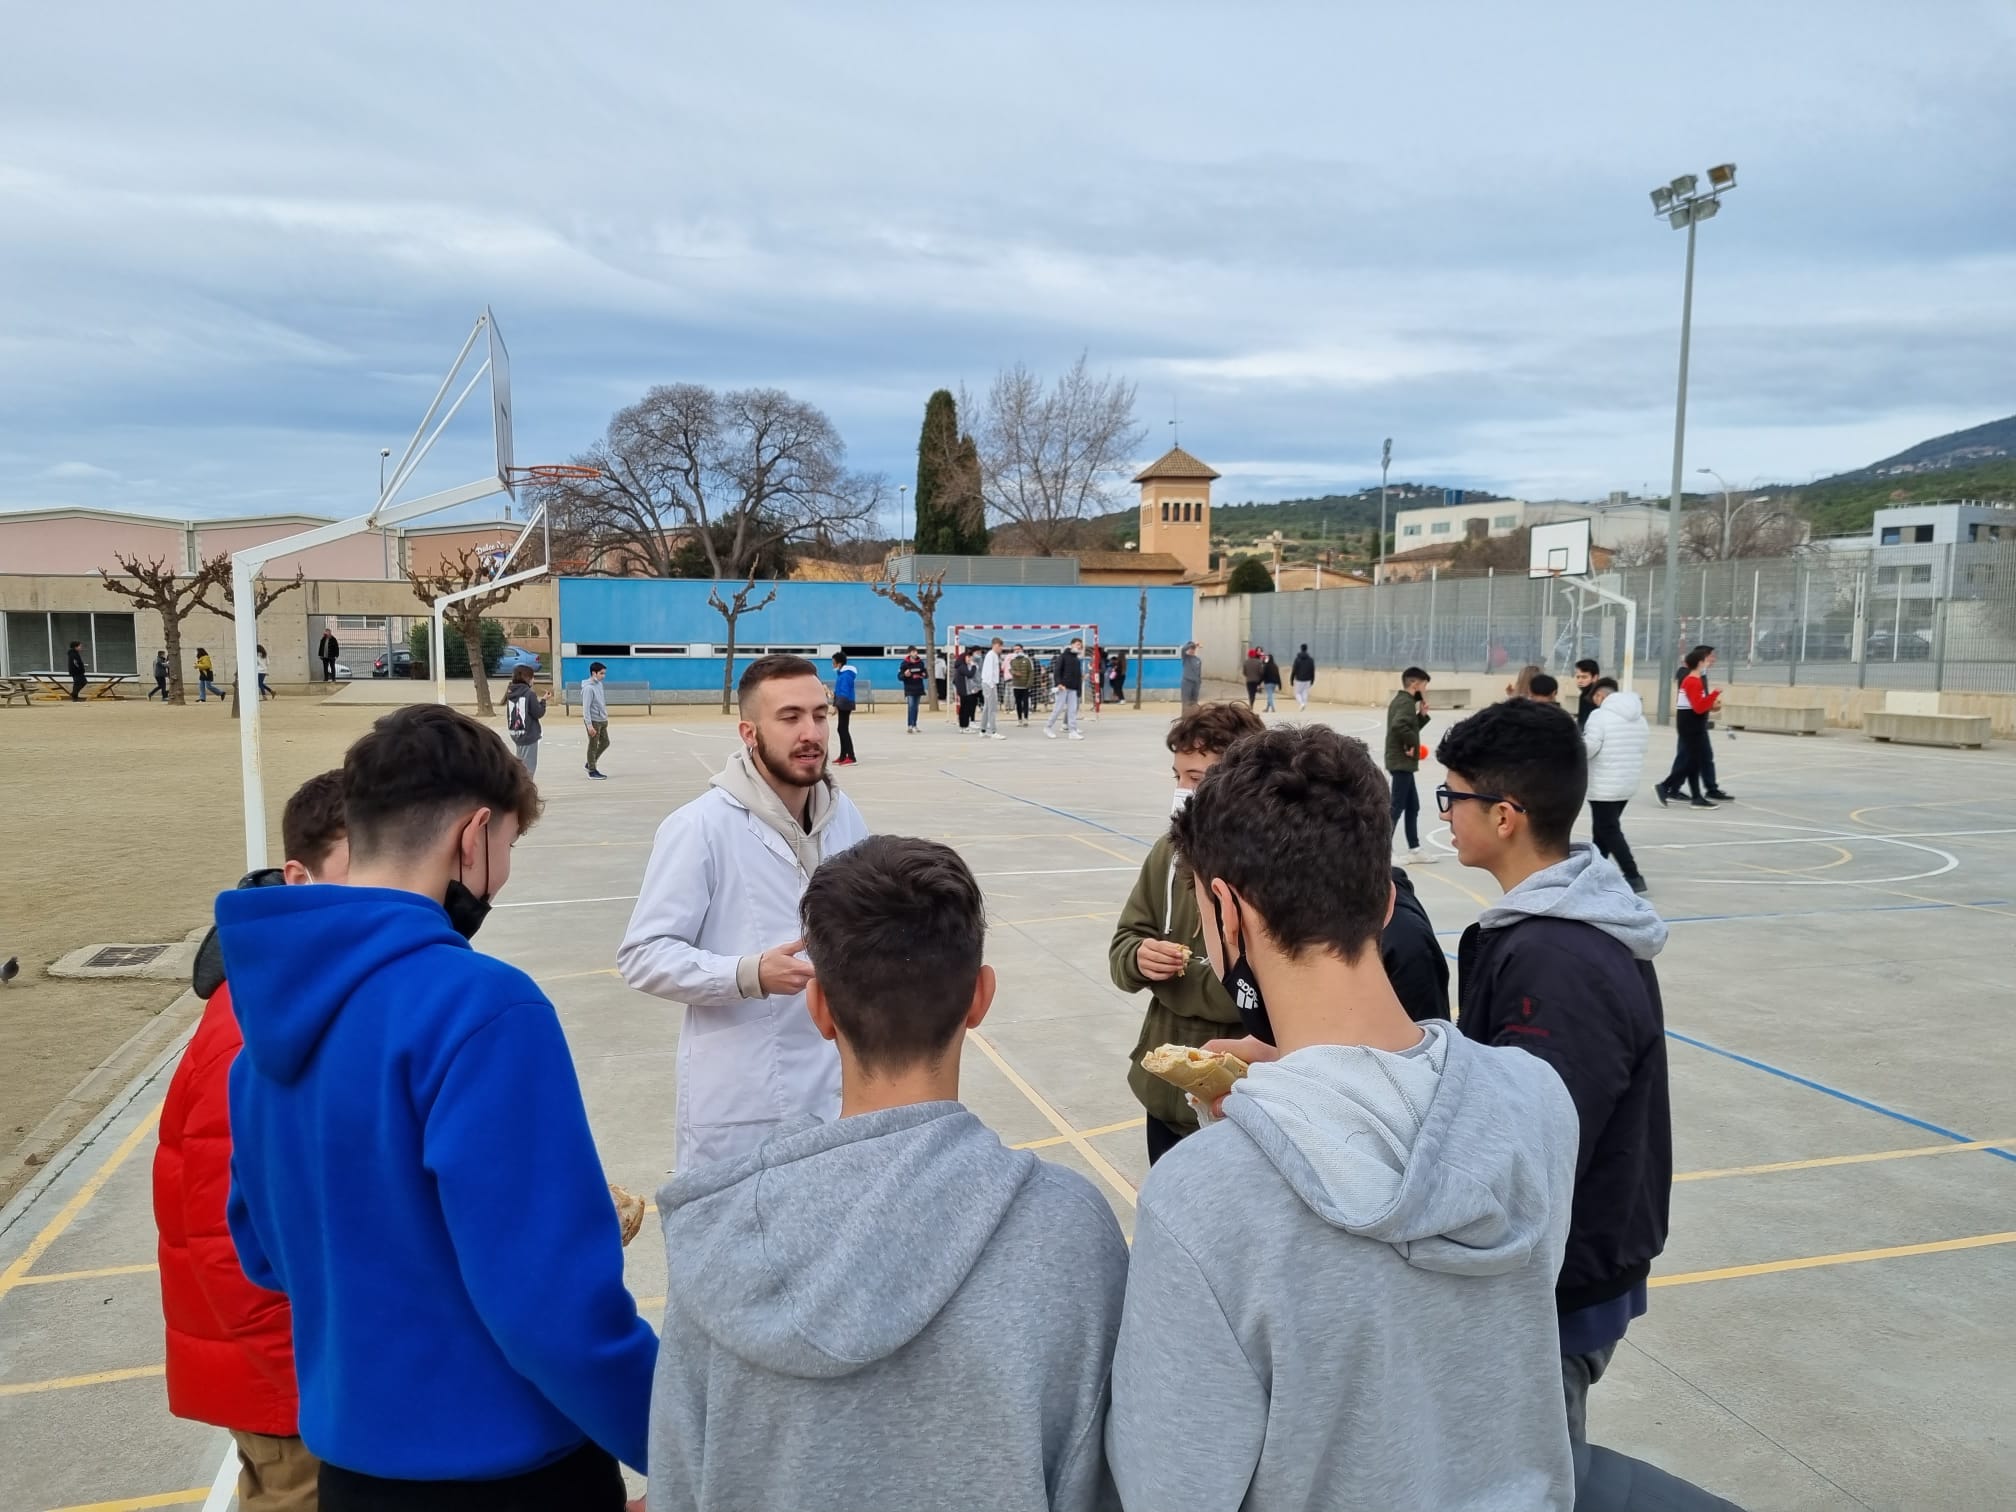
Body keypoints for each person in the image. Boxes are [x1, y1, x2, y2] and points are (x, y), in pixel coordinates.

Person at [1107, 724, 1583, 1512]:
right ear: (1386, 895)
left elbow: (1171, 1485)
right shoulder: (1538, 1102)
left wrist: (1253, 1143)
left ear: (1226, 913)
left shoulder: (1200, 1197)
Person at [222, 706, 656, 1505]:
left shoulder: (263, 1027)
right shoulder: (481, 1007)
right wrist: (683, 1437)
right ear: (475, 834)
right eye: (510, 849)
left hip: (353, 1471)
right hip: (507, 1473)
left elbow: (263, 1252)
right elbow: (552, 1304)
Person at [648, 836, 1129, 1512]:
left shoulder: (718, 1234)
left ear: (818, 1008)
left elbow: (678, 1483)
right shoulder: (1070, 1232)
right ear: (980, 999)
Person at [1436, 700, 1738, 1510]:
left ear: (1503, 816)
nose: (1444, 816)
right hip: (1569, 1264)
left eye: (1452, 798)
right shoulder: (1542, 926)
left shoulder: (1556, 956)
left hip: (1561, 1278)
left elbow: (1536, 1145)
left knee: (1535, 1476)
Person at [156, 771, 348, 1512]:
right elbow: (222, 1246)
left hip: (306, 1374)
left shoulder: (298, 996)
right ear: (298, 876)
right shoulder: (252, 1029)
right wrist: (316, 1388)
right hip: (290, 1394)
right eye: (361, 870)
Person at [618, 654, 870, 1169]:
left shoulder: (846, 818)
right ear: (749, 732)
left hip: (838, 1086)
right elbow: (643, 955)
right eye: (790, 717)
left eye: (820, 715)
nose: (811, 732)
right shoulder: (701, 827)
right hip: (744, 1095)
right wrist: (746, 973)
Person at [1110, 703, 1265, 1164]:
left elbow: (1253, 993)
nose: (1182, 791)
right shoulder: (1170, 852)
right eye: (1177, 776)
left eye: (1195, 779)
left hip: (1236, 1102)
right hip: (1163, 1096)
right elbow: (1123, 945)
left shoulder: (1268, 865)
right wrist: (1138, 959)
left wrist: (1172, 980)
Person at [1583, 677, 1649, 893]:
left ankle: (1633, 874)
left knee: (1608, 828)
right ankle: (1596, 871)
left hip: (1604, 782)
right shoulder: (1639, 717)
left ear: (1601, 696)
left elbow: (1590, 748)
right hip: (1627, 780)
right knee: (1602, 828)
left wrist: (1575, 747)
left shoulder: (1599, 716)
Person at [1657, 646, 1721, 809]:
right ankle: (1665, 786)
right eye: (1707, 660)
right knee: (1692, 761)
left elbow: (1698, 705)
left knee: (1695, 761)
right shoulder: (1692, 681)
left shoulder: (1695, 680)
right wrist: (1714, 695)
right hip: (1691, 724)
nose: (1710, 662)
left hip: (1691, 723)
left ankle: (1697, 797)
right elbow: (1698, 707)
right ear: (1699, 663)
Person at [1386, 666, 1435, 865]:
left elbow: (1409, 726)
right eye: (1424, 685)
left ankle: (1414, 848)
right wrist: (1409, 744)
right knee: (1396, 806)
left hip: (1403, 762)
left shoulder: (1404, 702)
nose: (1425, 689)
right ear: (1415, 683)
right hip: (1401, 761)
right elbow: (1399, 726)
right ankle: (1384, 849)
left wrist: (1421, 716)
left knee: (1412, 805)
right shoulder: (1405, 702)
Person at [504, 664, 546, 776]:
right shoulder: (529, 694)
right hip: (529, 734)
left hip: (516, 732)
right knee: (529, 768)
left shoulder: (511, 693)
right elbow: (538, 713)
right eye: (533, 677)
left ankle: (519, 787)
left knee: (521, 763)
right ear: (527, 678)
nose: (533, 680)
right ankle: (525, 791)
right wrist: (543, 702)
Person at [1043, 637, 1085, 740]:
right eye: (1078, 644)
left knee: (1072, 710)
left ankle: (1072, 731)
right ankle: (1048, 727)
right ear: (1072, 645)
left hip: (1073, 688)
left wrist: (1080, 682)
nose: (1079, 647)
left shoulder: (1076, 659)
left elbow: (1076, 674)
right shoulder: (1063, 656)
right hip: (1063, 687)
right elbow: (1057, 671)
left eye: (1080, 645)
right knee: (1058, 709)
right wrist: (1059, 684)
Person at [582, 660, 610, 779]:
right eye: (601, 673)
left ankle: (590, 762)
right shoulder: (588, 688)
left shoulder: (599, 684)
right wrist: (589, 725)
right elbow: (586, 708)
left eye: (604, 673)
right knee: (593, 745)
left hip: (602, 719)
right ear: (594, 673)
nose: (603, 676)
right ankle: (592, 771)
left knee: (605, 742)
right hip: (593, 721)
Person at [830, 652, 859, 765]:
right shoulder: (842, 674)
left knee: (843, 729)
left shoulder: (846, 675)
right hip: (843, 702)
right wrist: (835, 700)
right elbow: (839, 691)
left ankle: (851, 757)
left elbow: (844, 692)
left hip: (845, 703)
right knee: (841, 729)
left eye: (834, 662)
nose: (832, 665)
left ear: (839, 663)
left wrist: (837, 705)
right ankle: (843, 756)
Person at [979, 637, 1005, 739]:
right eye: (1000, 646)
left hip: (989, 683)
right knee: (992, 708)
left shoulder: (993, 655)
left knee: (987, 708)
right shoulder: (991, 655)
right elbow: (989, 671)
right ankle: (993, 731)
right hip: (989, 684)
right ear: (996, 645)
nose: (1001, 649)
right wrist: (991, 684)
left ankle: (983, 730)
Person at [899, 646, 927, 734]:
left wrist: (924, 674)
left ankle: (915, 725)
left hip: (918, 687)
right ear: (910, 653)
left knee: (916, 707)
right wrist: (905, 675)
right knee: (911, 706)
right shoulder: (904, 664)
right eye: (913, 652)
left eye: (916, 652)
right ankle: (910, 725)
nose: (915, 653)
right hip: (909, 688)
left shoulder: (920, 663)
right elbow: (900, 676)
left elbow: (925, 674)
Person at [1009, 644, 1035, 725]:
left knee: (1025, 703)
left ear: (1022, 649)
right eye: (1015, 649)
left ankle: (1026, 719)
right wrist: (1014, 673)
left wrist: (1029, 683)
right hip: (1016, 685)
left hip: (1025, 685)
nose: (1017, 651)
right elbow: (1010, 670)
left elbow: (1031, 672)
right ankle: (1019, 719)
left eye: (1018, 649)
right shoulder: (1012, 660)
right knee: (1018, 703)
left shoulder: (1027, 660)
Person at [951, 649, 975, 731]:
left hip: (965, 690)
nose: (970, 659)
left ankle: (964, 726)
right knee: (965, 709)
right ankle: (964, 726)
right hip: (964, 691)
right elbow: (970, 674)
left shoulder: (962, 667)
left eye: (970, 657)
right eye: (968, 657)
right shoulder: (962, 667)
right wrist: (974, 666)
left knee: (965, 708)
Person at [1573, 659, 1601, 727]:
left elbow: (1584, 722)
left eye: (1584, 677)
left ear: (1595, 677)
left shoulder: (1593, 696)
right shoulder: (1586, 693)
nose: (1580, 681)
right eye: (1578, 677)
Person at [1178, 641, 1202, 712]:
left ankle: (1193, 719)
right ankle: (1185, 719)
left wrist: (1199, 682)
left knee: (1194, 703)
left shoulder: (1198, 660)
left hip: (1196, 684)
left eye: (1193, 648)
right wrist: (1195, 644)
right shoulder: (1185, 657)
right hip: (1187, 683)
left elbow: (1199, 673)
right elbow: (1183, 649)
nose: (1192, 650)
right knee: (1186, 702)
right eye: (1191, 648)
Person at [1290, 643, 1315, 710]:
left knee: (1297, 693)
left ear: (1301, 649)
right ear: (1306, 649)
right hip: (1308, 679)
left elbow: (1294, 670)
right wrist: (1312, 679)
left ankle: (1301, 703)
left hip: (1299, 679)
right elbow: (1312, 670)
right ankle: (1304, 703)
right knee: (1305, 692)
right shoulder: (1310, 660)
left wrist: (1291, 679)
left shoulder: (1297, 659)